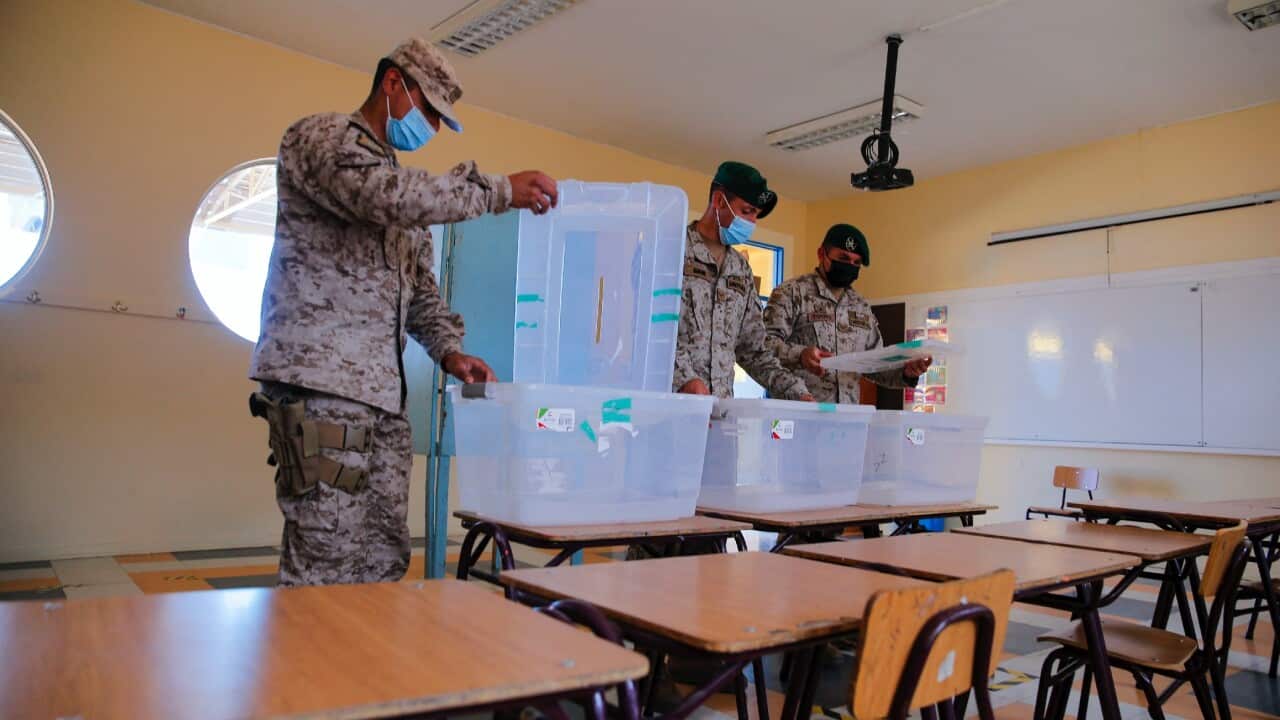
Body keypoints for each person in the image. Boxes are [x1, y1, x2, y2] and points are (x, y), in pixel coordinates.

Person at [248, 37, 559, 587]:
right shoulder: (321, 140)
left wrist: (450, 350)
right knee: (324, 559)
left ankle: (369, 672)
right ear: (393, 83)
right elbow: (386, 197)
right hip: (323, 392)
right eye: (429, 111)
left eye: (441, 120)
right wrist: (498, 190)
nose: (432, 129)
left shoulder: (405, 194)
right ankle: (306, 672)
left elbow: (418, 291)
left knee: (384, 555)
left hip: (383, 401)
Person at [672, 161, 811, 401]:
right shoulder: (669, 249)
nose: (751, 223)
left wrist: (795, 391)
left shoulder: (740, 270)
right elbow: (648, 330)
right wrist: (685, 378)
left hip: (720, 411)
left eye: (756, 215)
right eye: (746, 211)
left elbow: (753, 350)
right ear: (718, 201)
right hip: (672, 407)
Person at [764, 223, 931, 405]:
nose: (849, 266)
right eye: (843, 258)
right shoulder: (792, 293)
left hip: (846, 419)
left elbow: (873, 363)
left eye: (856, 263)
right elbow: (762, 345)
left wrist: (905, 372)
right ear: (822, 254)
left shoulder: (860, 305)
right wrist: (800, 355)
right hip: (799, 412)